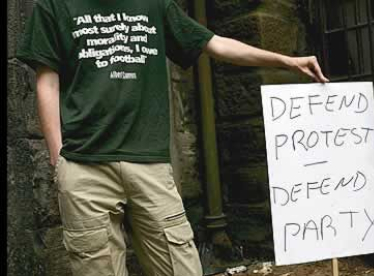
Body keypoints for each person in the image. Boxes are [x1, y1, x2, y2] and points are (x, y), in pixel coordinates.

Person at [16, 0, 329, 275]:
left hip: (149, 165)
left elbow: (215, 44)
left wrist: (285, 60)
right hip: (85, 167)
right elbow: (47, 85)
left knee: (181, 266)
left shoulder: (154, 5)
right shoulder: (53, 5)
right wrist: (60, 162)